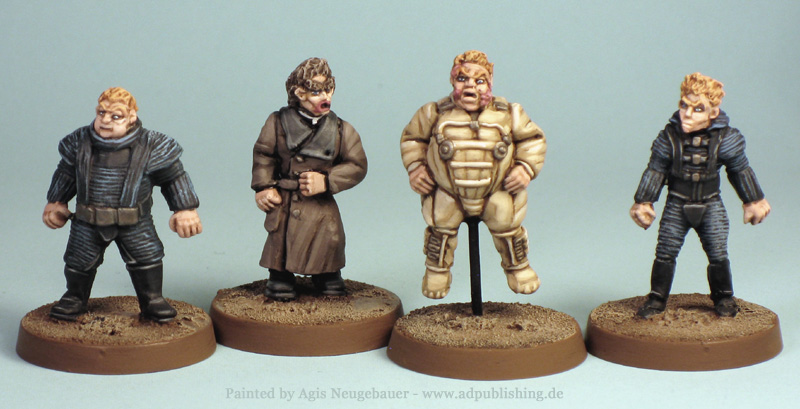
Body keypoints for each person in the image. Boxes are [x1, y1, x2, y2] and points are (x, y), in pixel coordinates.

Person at [43, 87, 202, 322]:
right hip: (88, 221)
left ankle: (152, 301)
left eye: (115, 115)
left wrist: (185, 208)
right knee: (78, 261)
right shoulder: (79, 143)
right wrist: (56, 202)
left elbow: (174, 177)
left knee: (147, 259)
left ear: (131, 117)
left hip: (134, 222)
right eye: (101, 113)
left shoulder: (152, 145)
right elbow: (66, 174)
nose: (106, 120)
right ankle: (74, 298)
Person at [400, 50, 547, 299]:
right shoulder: (434, 112)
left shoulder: (509, 113)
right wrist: (416, 167)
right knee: (441, 227)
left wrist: (525, 167)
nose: (470, 86)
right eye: (462, 79)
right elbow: (413, 139)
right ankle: (437, 271)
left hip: (496, 190)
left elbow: (532, 140)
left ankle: (518, 267)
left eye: (479, 81)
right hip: (448, 191)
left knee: (507, 225)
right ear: (452, 80)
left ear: (490, 83)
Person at [630, 72, 771, 318]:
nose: (687, 113)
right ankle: (656, 299)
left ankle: (724, 298)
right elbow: (656, 170)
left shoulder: (726, 139)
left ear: (712, 112)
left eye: (697, 109)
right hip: (676, 204)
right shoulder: (669, 137)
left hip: (710, 205)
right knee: (665, 253)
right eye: (684, 105)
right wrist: (643, 201)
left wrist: (754, 200)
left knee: (718, 254)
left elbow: (740, 170)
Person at [252, 58, 368, 301]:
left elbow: (357, 165)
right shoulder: (277, 123)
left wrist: (326, 180)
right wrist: (264, 187)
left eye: (329, 89)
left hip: (320, 204)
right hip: (286, 200)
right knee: (281, 244)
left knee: (326, 243)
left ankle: (327, 276)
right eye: (317, 92)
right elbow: (264, 155)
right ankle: (281, 278)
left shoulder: (341, 130)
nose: (325, 96)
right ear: (300, 93)